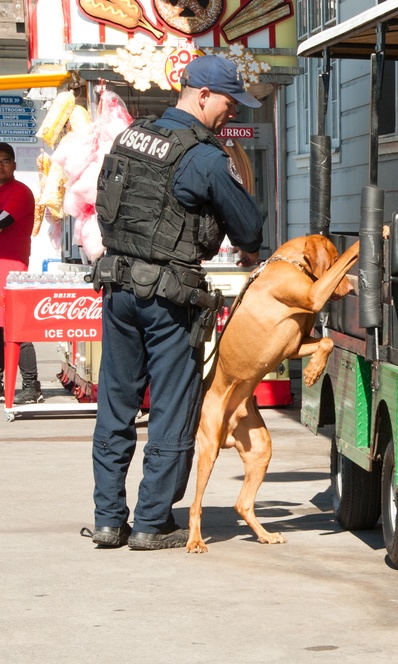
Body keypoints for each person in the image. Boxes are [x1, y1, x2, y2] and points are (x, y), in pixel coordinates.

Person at [89, 55, 265, 550]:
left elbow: (107, 209)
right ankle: (150, 522)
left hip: (119, 287)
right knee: (172, 407)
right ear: (203, 94)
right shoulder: (205, 157)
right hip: (169, 300)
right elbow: (249, 229)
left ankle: (107, 520)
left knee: (116, 404)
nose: (233, 113)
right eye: (230, 103)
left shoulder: (130, 138)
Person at [0, 142, 41, 404]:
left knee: (17, 330)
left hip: (11, 270)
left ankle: (31, 384)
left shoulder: (21, 192)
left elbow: (2, 223)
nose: (0, 166)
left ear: (15, 165)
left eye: (5, 161)